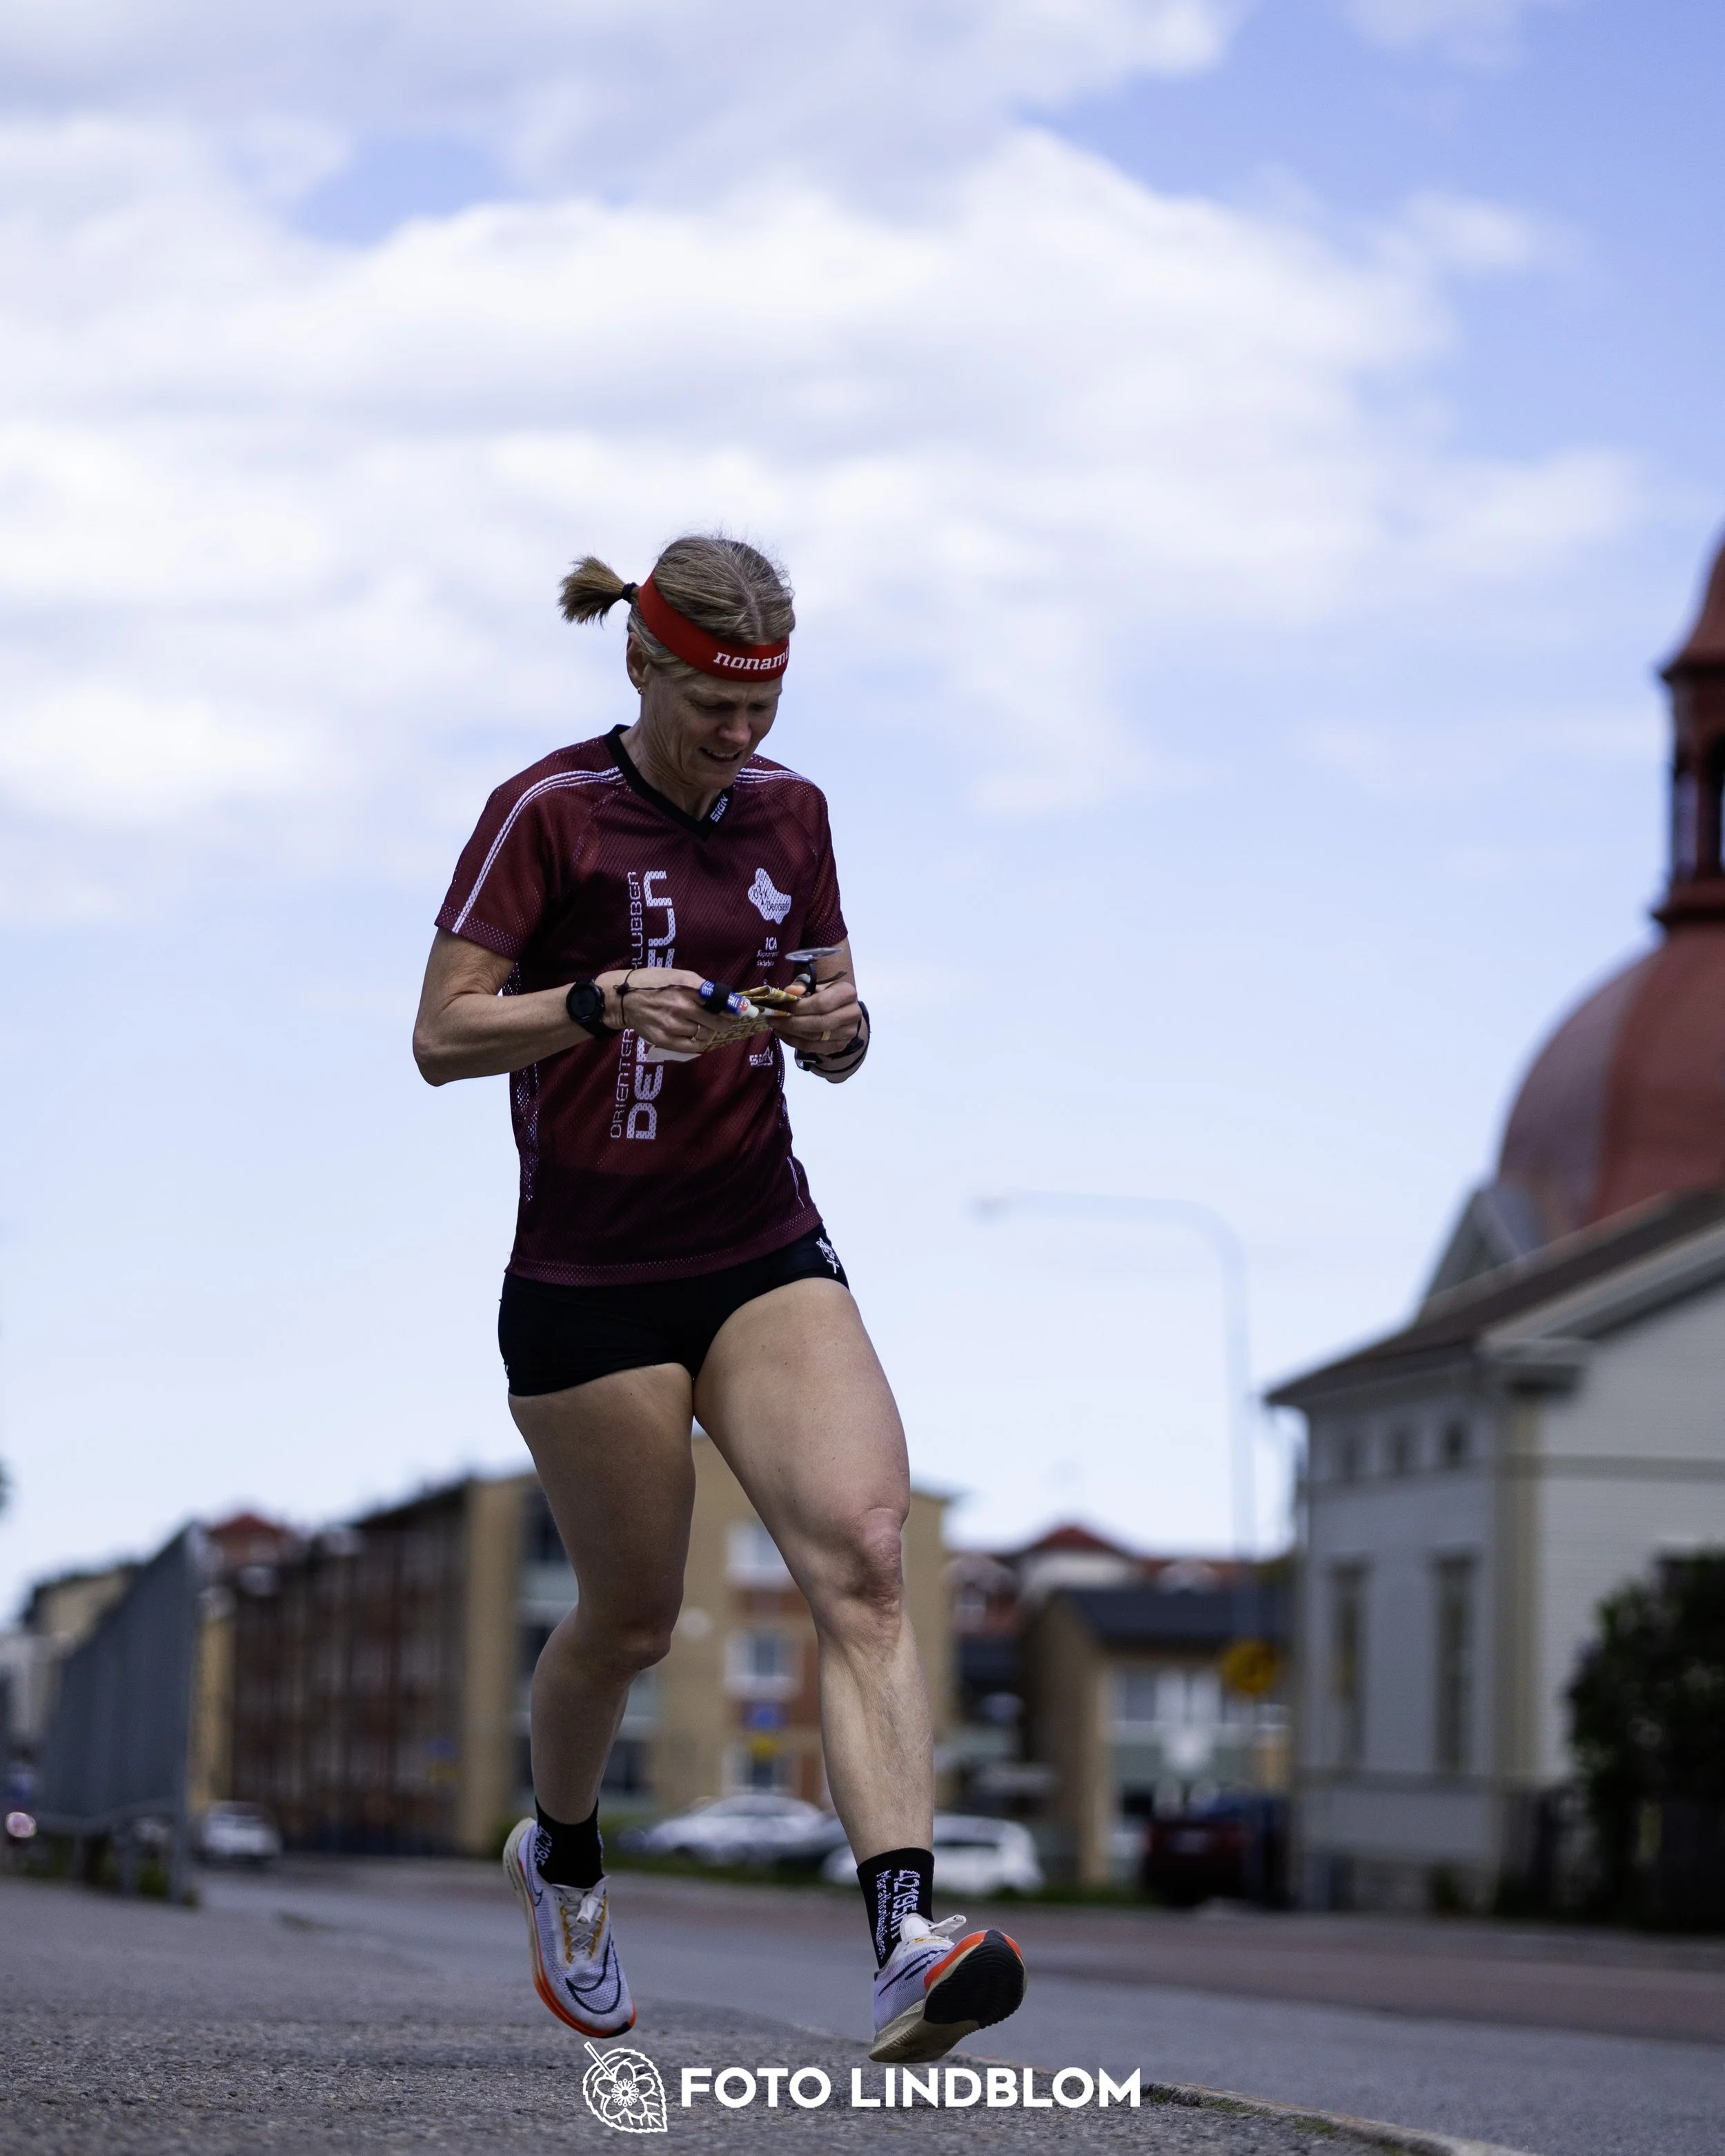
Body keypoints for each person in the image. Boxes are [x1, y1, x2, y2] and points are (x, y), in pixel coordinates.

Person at [412, 535, 1025, 2064]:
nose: (738, 739)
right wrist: (593, 1001)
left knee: (869, 1559)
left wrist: (836, 1023)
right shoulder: (545, 813)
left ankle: (904, 1939)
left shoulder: (790, 812)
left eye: (761, 707)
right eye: (709, 708)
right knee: (627, 1616)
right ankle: (559, 1849)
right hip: (587, 1277)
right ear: (641, 665)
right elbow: (436, 1034)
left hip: (759, 1246)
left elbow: (835, 1013)